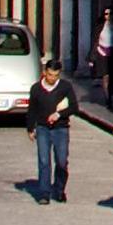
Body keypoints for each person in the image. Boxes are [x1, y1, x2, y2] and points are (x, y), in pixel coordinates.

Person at [27, 60, 74, 205]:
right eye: (49, 75)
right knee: (44, 161)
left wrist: (59, 114)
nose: (52, 78)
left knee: (61, 161)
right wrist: (30, 128)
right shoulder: (36, 89)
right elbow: (32, 110)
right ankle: (44, 193)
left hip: (61, 128)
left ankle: (59, 190)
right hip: (43, 128)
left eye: (55, 75)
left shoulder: (65, 87)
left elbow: (74, 107)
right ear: (44, 72)